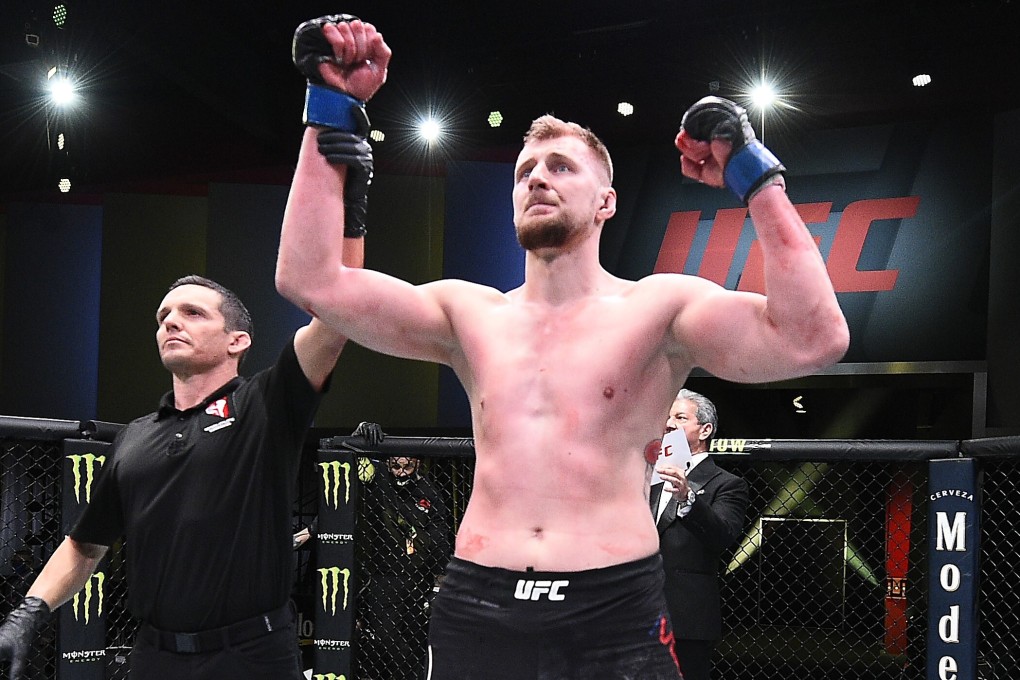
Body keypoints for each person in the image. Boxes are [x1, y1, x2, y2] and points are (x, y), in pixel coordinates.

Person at [275, 15, 848, 679]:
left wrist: (756, 176)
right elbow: (309, 280)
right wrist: (329, 106)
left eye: (560, 166)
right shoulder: (468, 313)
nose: (536, 179)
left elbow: (814, 338)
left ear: (606, 202)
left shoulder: (659, 309)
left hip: (612, 611)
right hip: (477, 604)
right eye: (524, 171)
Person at [0, 239, 365, 680]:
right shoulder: (135, 437)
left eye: (193, 313)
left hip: (253, 655)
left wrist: (350, 207)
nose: (171, 321)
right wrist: (29, 613)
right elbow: (84, 545)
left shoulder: (264, 405)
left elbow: (338, 309)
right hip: (155, 656)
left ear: (238, 340)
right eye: (163, 317)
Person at [652, 390, 749, 680]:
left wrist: (688, 498)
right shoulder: (648, 478)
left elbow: (723, 536)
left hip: (686, 615)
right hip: (636, 608)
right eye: (667, 417)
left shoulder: (727, 484)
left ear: (705, 429)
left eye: (680, 417)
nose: (669, 424)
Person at [358, 443, 451, 680]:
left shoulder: (429, 492)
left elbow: (441, 537)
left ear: (417, 464)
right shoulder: (380, 481)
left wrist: (439, 582)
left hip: (418, 577)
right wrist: (363, 434)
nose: (401, 472)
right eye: (396, 466)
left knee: (414, 636)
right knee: (384, 634)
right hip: (384, 574)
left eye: (407, 466)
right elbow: (354, 457)